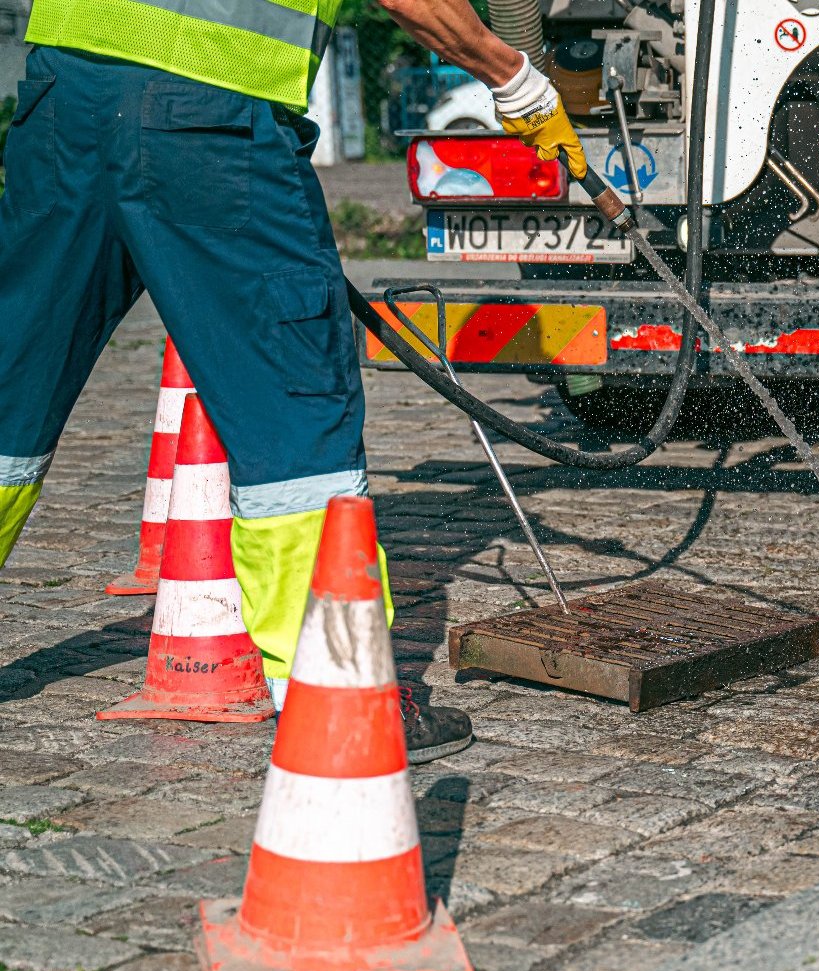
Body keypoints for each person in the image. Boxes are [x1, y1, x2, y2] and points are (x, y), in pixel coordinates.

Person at [0, 0, 588, 762]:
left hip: (63, 97)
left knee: (12, 385)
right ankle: (337, 696)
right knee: (293, 410)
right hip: (206, 116)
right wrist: (511, 76)